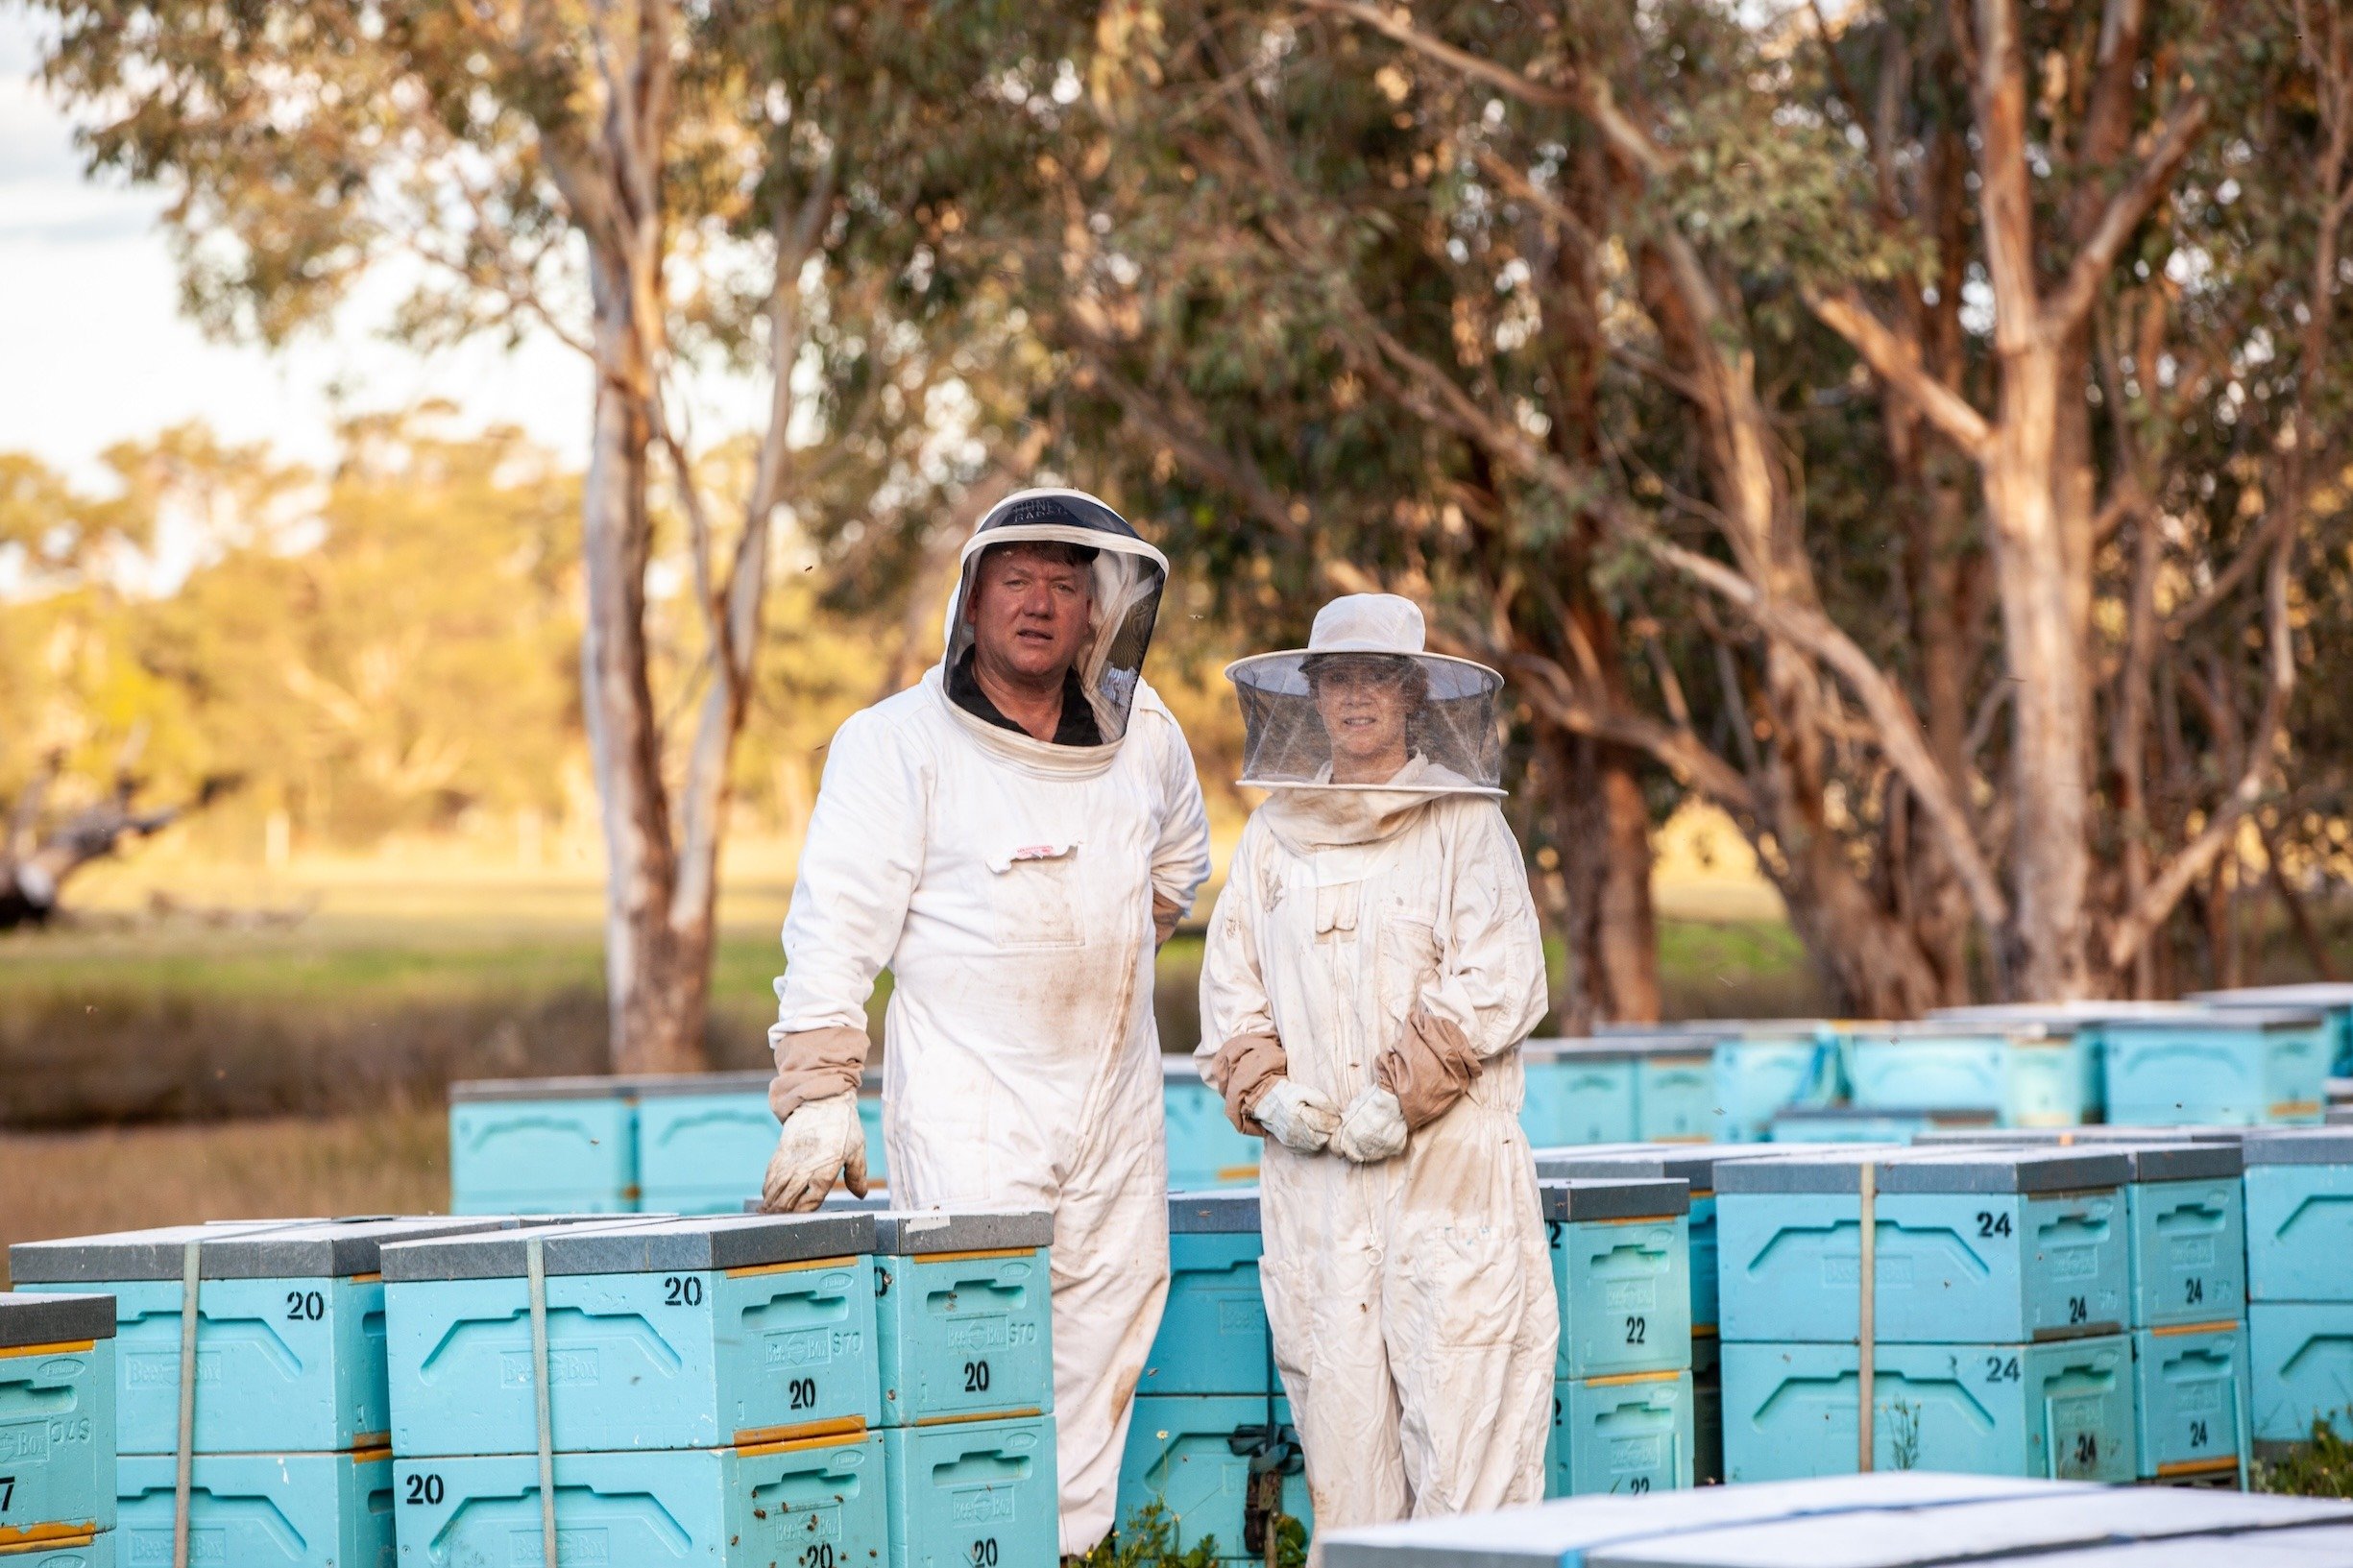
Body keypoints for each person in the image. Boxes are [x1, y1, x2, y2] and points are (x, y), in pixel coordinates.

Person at [760, 488, 1211, 1559]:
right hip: (971, 1106)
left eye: (1065, 582)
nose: (1041, 604)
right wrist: (821, 1095)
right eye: (1017, 579)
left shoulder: (1141, 731)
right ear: (970, 601)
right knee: (974, 1338)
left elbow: (1178, 862)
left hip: (1111, 1098)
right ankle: (977, 1546)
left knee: (1108, 1325)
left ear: (1100, 607)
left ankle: (1071, 1548)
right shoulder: (893, 746)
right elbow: (835, 927)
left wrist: (1099, 949)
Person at [1196, 592, 1555, 1552]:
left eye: (1375, 679)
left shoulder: (1462, 824)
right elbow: (1230, 989)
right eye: (1336, 679)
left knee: (1467, 1458)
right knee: (1348, 1474)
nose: (1355, 697)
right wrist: (1267, 1090)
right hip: (1318, 1201)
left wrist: (1400, 1093)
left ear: (1410, 695)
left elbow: (1502, 977)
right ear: (1312, 698)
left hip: (1449, 1188)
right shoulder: (1273, 836)